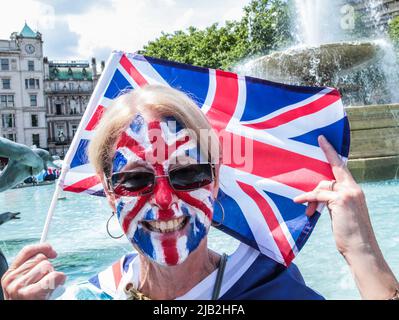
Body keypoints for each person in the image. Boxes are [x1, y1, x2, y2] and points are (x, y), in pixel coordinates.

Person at [1, 85, 398, 300]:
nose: (162, 201)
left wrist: (362, 252)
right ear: (108, 191)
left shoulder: (272, 290)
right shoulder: (86, 296)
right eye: (135, 179)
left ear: (216, 177)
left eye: (187, 174)